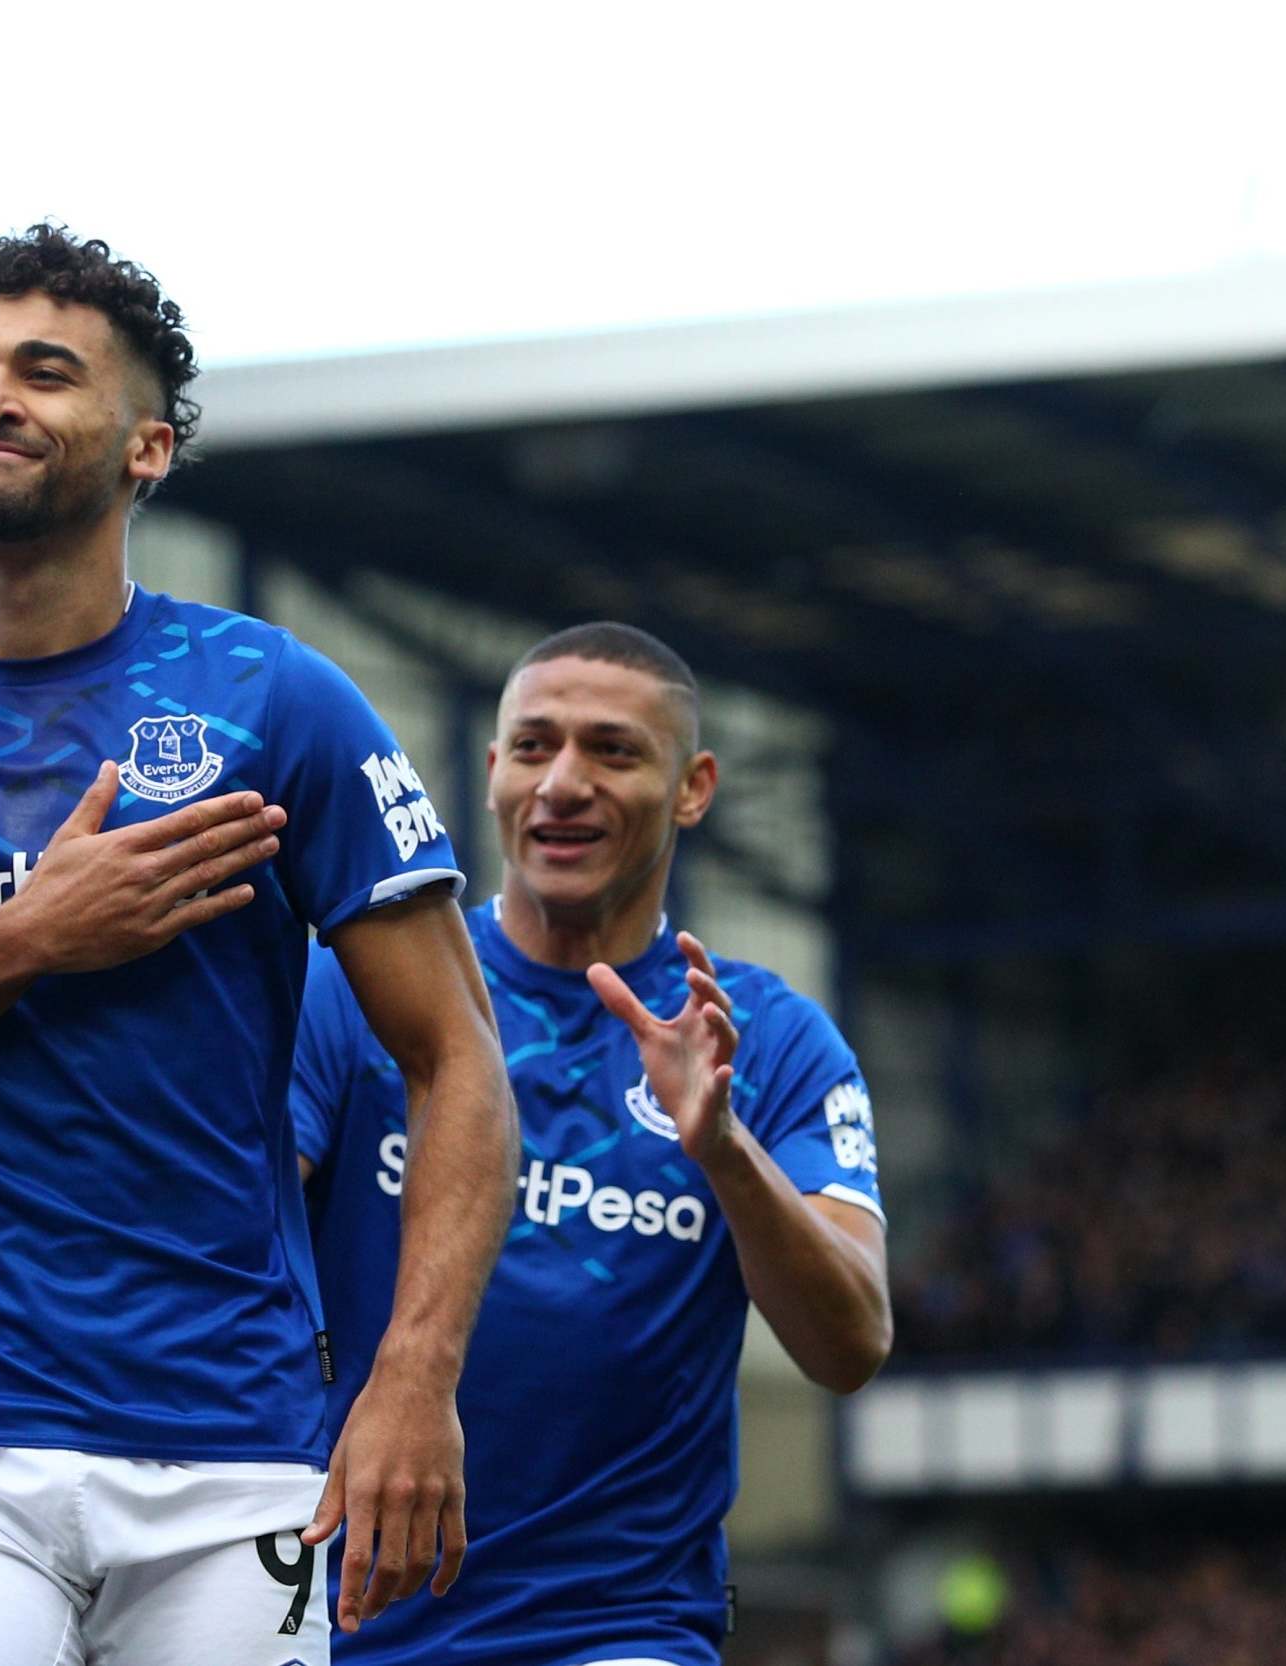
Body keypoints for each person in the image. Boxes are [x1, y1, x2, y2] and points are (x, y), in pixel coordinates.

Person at [0, 223, 517, 1666]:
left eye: (42, 371)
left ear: (146, 446)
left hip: (229, 1447)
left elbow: (458, 1055)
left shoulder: (277, 699)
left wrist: (413, 1375)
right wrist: (22, 940)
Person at [294, 624, 892, 1666]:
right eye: (532, 746)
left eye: (612, 750)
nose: (562, 782)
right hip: (338, 1616)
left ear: (693, 786)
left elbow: (851, 1343)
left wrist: (726, 1152)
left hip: (615, 1629)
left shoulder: (770, 1038)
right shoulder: (358, 996)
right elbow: (215, 1237)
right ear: (490, 774)